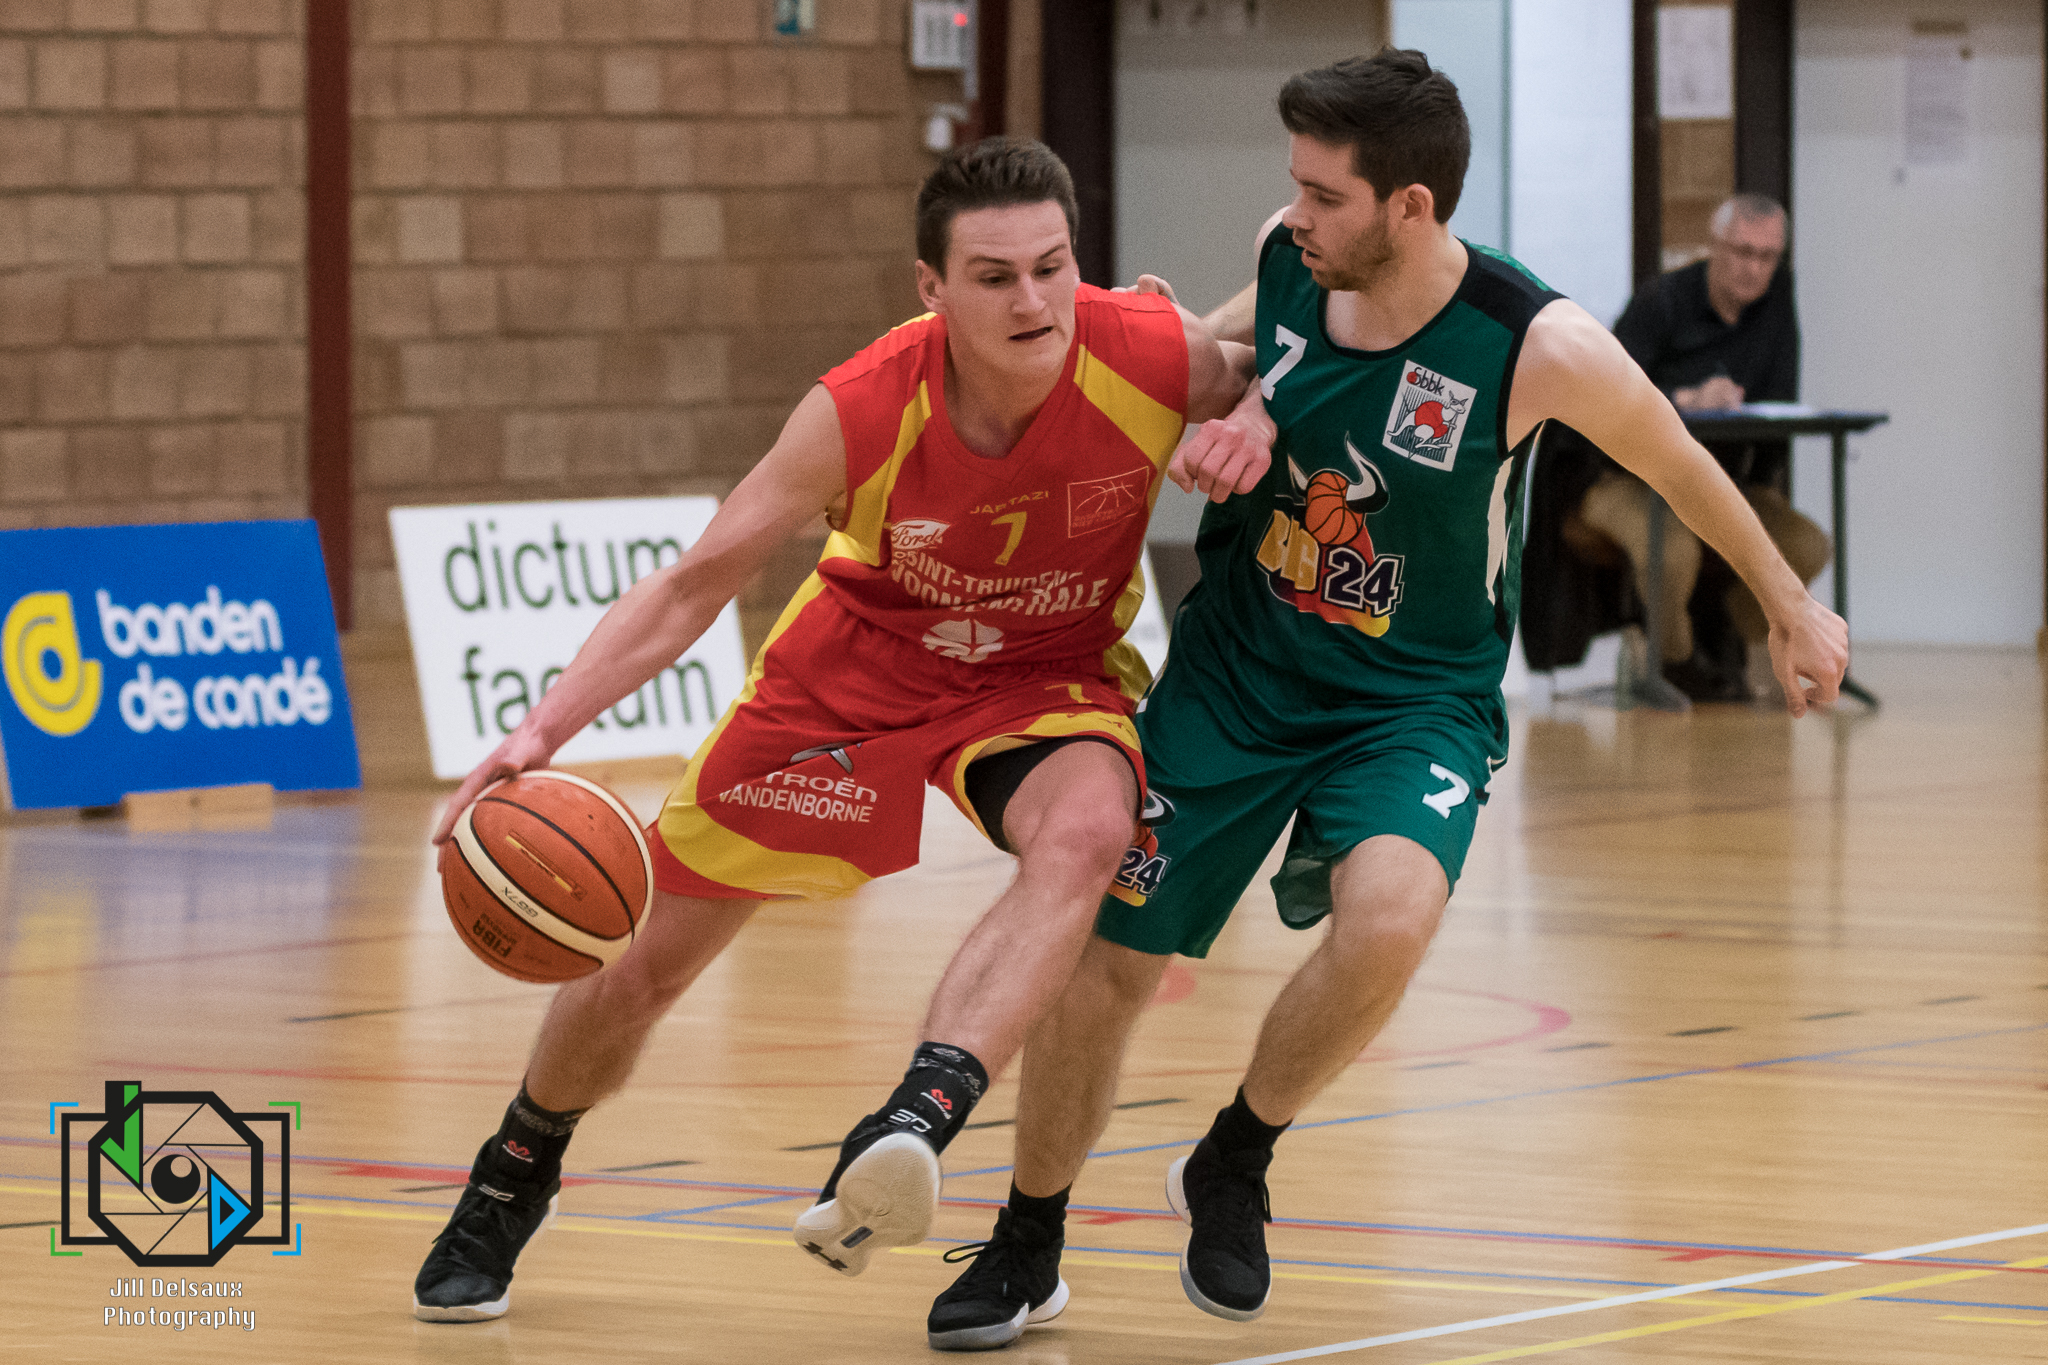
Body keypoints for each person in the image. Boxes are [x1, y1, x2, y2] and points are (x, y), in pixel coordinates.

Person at [924, 52, 1848, 1351]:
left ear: (1408, 206)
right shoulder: (1293, 256)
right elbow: (1233, 350)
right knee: (1110, 960)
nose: (1294, 212)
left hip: (1414, 695)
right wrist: (1167, 359)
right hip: (1241, 669)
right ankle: (1029, 1241)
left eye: (1324, 193)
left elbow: (1679, 463)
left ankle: (1236, 1155)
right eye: (1294, 185)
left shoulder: (1535, 344)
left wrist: (1789, 606)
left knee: (1392, 918)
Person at [409, 136, 1257, 1323]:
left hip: (1041, 676)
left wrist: (1257, 406)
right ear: (931, 287)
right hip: (852, 677)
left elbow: (1296, 359)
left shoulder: (1147, 354)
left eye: (1052, 267)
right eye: (994, 276)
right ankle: (516, 1166)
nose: (1031, 300)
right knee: (642, 965)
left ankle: (916, 1116)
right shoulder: (862, 405)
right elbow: (693, 584)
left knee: (1087, 831)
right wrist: (540, 732)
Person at [1535, 193, 1830, 700]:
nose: (1754, 269)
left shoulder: (1776, 306)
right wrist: (1685, 399)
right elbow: (1605, 394)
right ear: (1714, 247)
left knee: (1805, 544)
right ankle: (1674, 660)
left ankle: (1725, 640)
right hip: (1619, 476)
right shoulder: (1662, 301)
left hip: (1720, 477)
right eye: (1743, 252)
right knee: (1671, 548)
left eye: (1768, 257)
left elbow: (1779, 405)